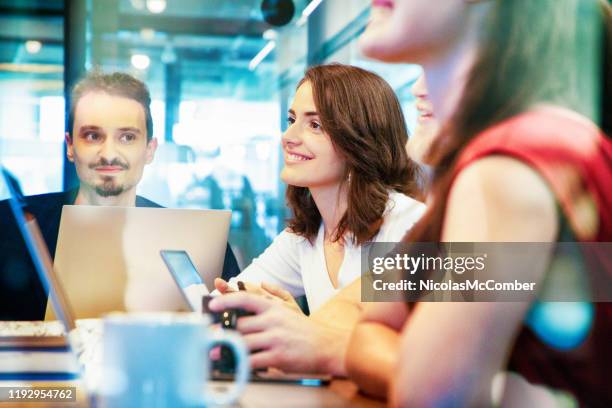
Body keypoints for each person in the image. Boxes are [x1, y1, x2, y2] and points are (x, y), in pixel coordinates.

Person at [347, 0, 611, 406]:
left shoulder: (508, 168)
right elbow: (370, 324)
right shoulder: (493, 164)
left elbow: (429, 396)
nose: (420, 93)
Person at [209, 63, 426, 375]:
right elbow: (229, 296)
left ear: (359, 143)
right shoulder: (308, 234)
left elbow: (415, 354)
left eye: (315, 126)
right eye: (292, 120)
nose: (288, 136)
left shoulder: (410, 226)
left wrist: (302, 327)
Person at [0, 71, 240, 320]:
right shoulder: (10, 226)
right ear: (70, 146)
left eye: (127, 137)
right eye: (93, 136)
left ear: (149, 149)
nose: (109, 154)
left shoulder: (200, 242)